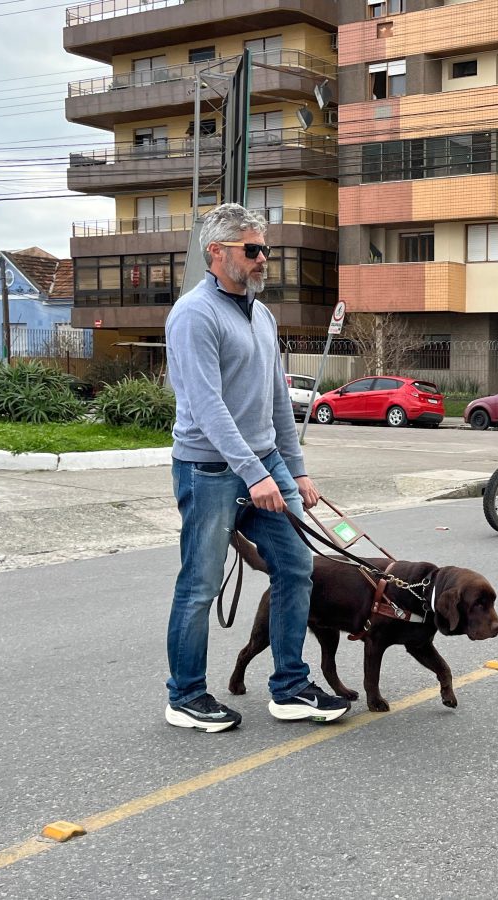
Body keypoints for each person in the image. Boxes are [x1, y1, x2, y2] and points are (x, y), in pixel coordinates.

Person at [163, 203, 349, 732]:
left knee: (297, 567)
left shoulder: (262, 315)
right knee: (200, 585)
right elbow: (207, 406)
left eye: (265, 249)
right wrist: (254, 474)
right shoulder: (194, 315)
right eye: (252, 249)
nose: (263, 258)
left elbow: (276, 402)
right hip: (209, 470)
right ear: (216, 252)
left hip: (265, 463)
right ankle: (185, 696)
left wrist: (296, 469)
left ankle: (289, 688)